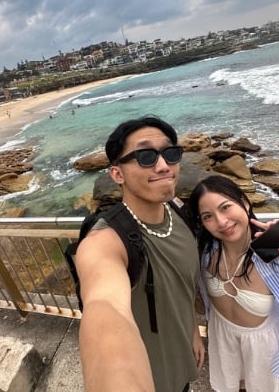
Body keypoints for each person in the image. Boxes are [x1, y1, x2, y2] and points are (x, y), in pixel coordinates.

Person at [74, 116, 203, 391]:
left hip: (180, 362)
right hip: (152, 379)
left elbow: (183, 286)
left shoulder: (178, 212)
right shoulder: (107, 239)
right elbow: (105, 307)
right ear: (117, 174)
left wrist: (193, 331)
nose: (163, 166)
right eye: (145, 156)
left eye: (170, 153)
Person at [189, 175, 279, 391]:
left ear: (244, 202)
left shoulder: (270, 249)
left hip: (265, 346)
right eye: (208, 216)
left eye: (226, 207)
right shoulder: (206, 252)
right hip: (223, 336)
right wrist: (194, 334)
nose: (221, 221)